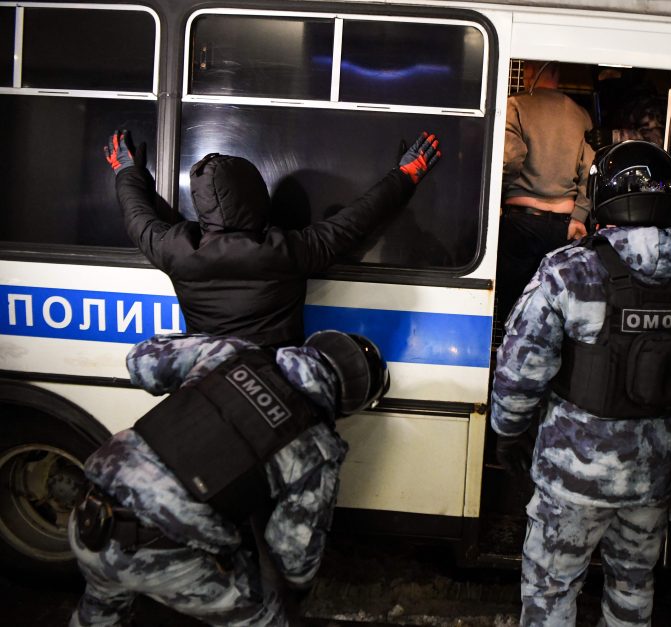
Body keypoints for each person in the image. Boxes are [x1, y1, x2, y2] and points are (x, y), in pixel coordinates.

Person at [490, 140, 671, 626]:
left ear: (604, 198)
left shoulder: (567, 271)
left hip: (572, 475)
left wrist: (509, 432)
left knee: (551, 587)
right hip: (655, 473)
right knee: (633, 584)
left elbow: (521, 370)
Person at [68, 329, 389, 626]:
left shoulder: (232, 352)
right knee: (269, 619)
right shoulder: (317, 448)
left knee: (102, 603)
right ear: (348, 403)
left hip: (89, 516)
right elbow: (294, 559)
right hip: (157, 556)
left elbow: (141, 361)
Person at [103, 129, 441, 347]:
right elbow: (355, 221)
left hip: (205, 384)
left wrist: (126, 171)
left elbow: (137, 218)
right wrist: (406, 175)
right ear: (256, 196)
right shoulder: (285, 251)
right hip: (274, 389)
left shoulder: (176, 249)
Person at [497, 60, 595, 323]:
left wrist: (497, 195)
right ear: (558, 73)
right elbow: (589, 170)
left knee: (515, 311)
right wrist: (579, 216)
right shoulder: (578, 114)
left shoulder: (515, 105)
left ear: (529, 71)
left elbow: (511, 157)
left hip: (521, 222)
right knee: (556, 309)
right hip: (563, 228)